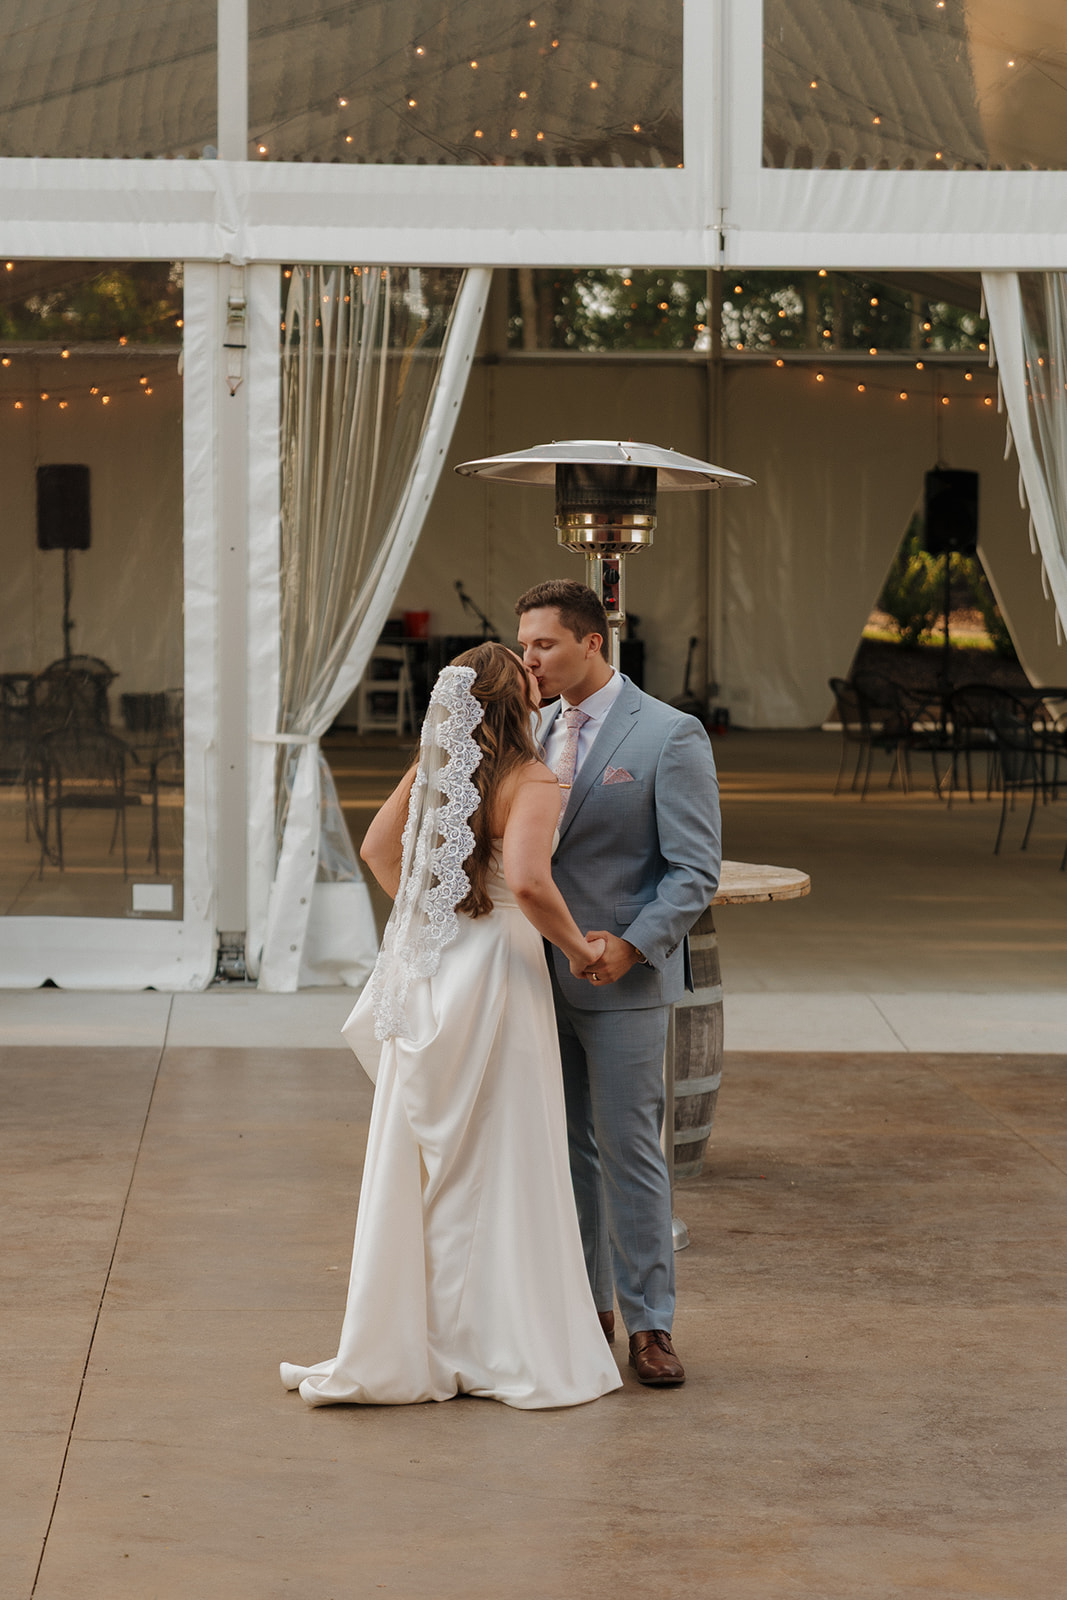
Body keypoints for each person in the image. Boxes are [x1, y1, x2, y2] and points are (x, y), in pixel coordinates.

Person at [281, 642, 622, 1410]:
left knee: (429, 1160)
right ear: (519, 703)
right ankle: (497, 1341)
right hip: (501, 970)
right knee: (505, 1153)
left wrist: (435, 915)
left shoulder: (436, 768)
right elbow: (530, 883)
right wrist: (580, 950)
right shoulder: (532, 780)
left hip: (436, 968)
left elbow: (377, 849)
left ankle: (419, 1336)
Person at [515, 581, 721, 1387]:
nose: (528, 659)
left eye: (543, 645)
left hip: (620, 979)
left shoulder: (669, 735)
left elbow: (692, 870)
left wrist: (630, 948)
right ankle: (584, 1310)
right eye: (524, 644)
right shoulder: (523, 728)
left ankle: (650, 1326)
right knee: (566, 1149)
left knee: (631, 1150)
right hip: (528, 975)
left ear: (591, 643)